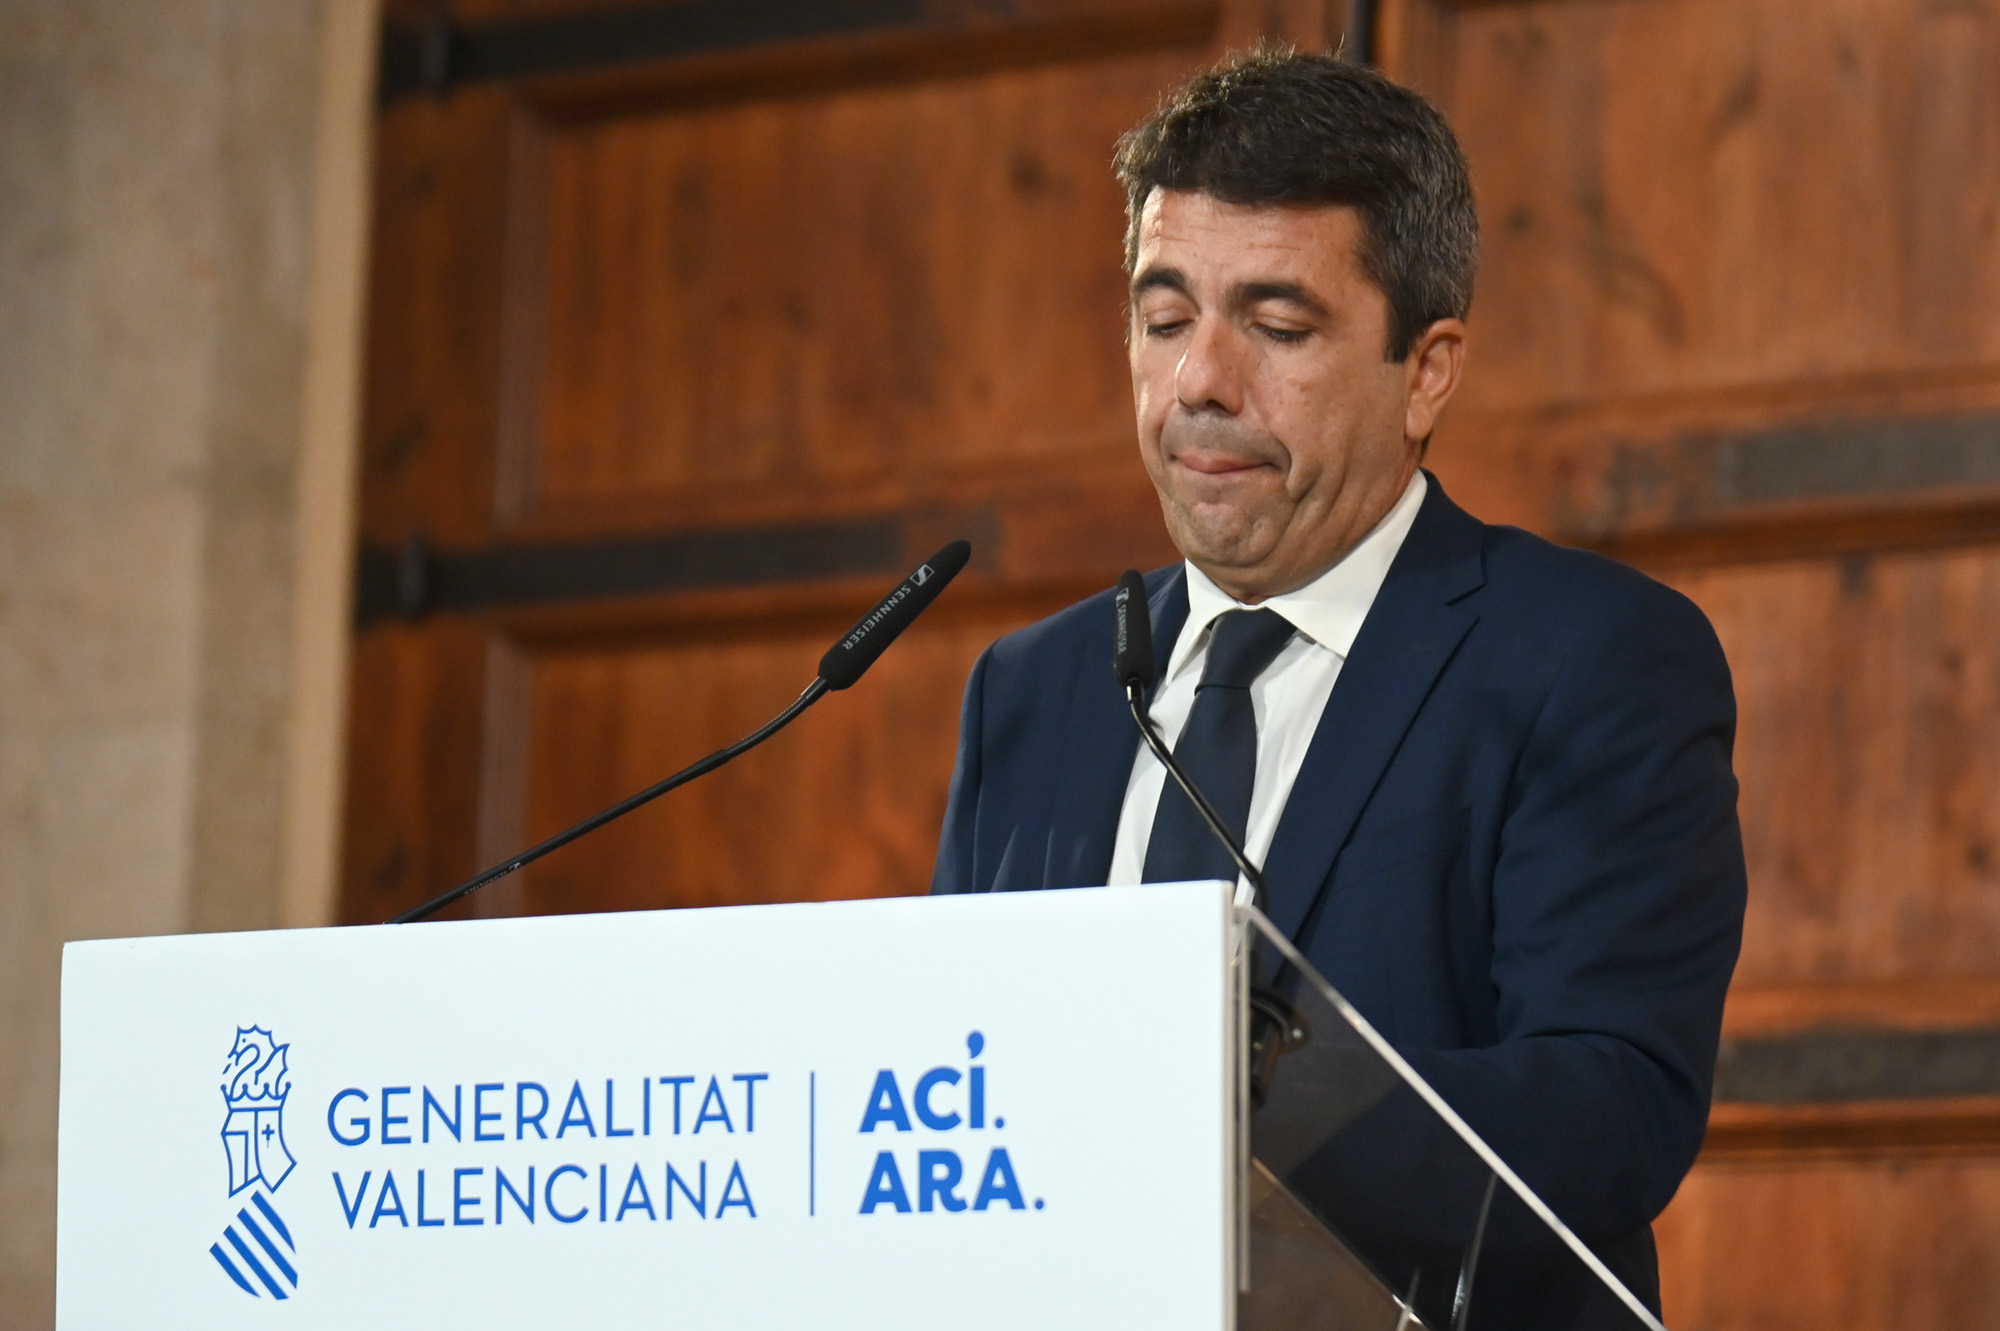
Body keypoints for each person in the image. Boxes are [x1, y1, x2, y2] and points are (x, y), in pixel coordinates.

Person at [929, 49, 1746, 1326]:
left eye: (1274, 326)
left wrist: (1227, 1080)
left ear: (1424, 369)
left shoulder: (1587, 658)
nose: (1198, 380)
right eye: (1162, 317)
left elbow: (1609, 1111)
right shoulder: (1032, 691)